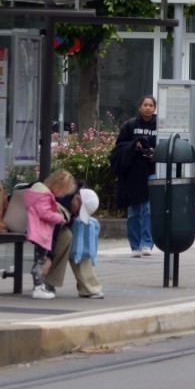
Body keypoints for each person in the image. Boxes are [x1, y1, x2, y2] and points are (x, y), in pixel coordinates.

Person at [111, 94, 157, 257]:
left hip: (152, 171)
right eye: (145, 105)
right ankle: (135, 246)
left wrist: (154, 153)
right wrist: (133, 146)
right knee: (134, 211)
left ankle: (147, 243)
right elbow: (119, 147)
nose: (148, 108)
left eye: (151, 105)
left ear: (154, 108)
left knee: (148, 209)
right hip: (133, 174)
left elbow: (165, 145)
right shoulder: (130, 125)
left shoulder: (160, 125)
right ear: (139, 107)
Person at [44, 184, 105, 299]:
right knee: (67, 236)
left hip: (46, 228)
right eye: (79, 210)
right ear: (77, 198)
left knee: (78, 231)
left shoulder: (70, 199)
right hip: (37, 227)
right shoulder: (62, 199)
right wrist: (49, 257)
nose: (77, 214)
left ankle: (88, 286)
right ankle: (87, 286)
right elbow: (54, 231)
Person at [23, 170, 76, 299]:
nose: (62, 195)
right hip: (41, 233)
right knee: (40, 262)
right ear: (58, 185)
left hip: (38, 231)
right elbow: (45, 213)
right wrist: (58, 217)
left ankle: (39, 286)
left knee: (39, 260)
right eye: (63, 191)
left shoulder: (38, 193)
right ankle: (38, 287)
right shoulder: (45, 196)